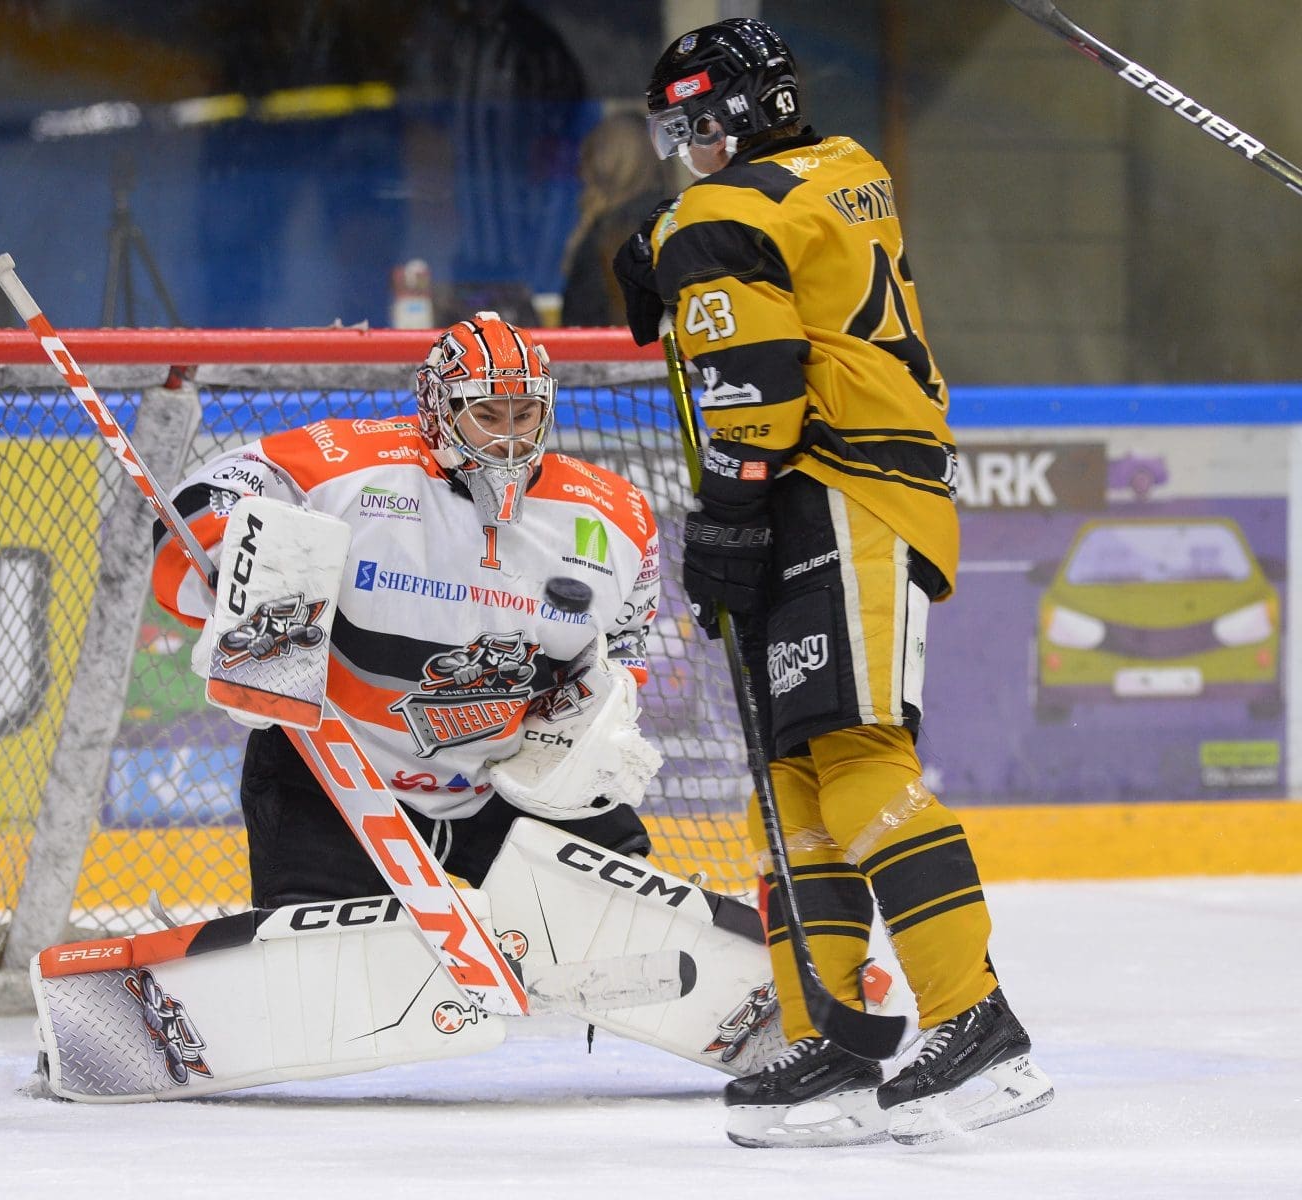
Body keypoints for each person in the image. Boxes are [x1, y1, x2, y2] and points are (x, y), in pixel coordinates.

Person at [614, 18, 1055, 1147]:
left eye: (705, 123)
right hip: (850, 489)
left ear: (753, 111)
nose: (695, 149)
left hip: (835, 493)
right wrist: (674, 235)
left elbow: (752, 380)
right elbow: (778, 240)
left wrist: (727, 510)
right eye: (679, 132)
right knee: (798, 787)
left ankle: (975, 1023)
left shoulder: (718, 217)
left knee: (855, 758)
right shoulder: (849, 167)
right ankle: (833, 1044)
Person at [151, 312, 661, 906]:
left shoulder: (615, 514)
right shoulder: (349, 463)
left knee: (619, 917)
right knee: (331, 977)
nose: (512, 438)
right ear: (440, 411)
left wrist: (598, 702)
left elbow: (625, 639)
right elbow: (195, 506)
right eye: (488, 415)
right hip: (334, 774)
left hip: (508, 775)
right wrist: (236, 579)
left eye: (525, 414)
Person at [559, 113, 671, 327]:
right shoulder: (677, 216)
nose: (581, 173)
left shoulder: (612, 233)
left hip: (614, 355)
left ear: (602, 167)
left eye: (587, 161)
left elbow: (583, 319)